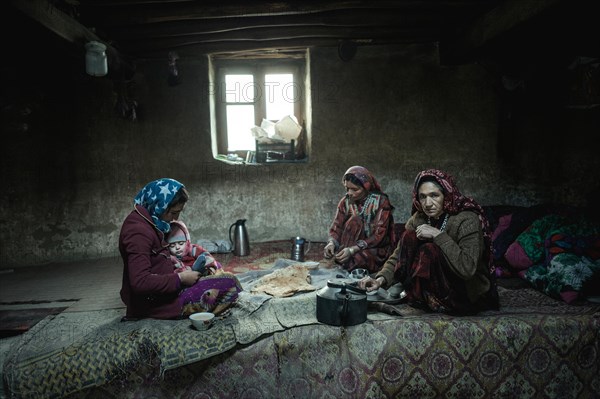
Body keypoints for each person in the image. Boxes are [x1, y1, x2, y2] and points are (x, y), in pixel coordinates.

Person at [358, 169, 499, 315]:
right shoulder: (419, 218)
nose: (428, 203)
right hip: (430, 290)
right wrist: (380, 280)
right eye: (422, 197)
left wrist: (438, 235)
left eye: (434, 195)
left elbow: (467, 268)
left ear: (447, 195)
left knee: (429, 250)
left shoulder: (466, 219)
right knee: (409, 237)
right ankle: (421, 296)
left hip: (463, 291)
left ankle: (438, 301)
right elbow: (399, 255)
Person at [119, 178, 242, 320]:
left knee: (218, 276)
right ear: (159, 206)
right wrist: (180, 279)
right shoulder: (138, 232)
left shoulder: (149, 220)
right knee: (229, 284)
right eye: (173, 213)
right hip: (158, 303)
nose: (174, 219)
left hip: (168, 290)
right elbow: (140, 283)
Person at [324, 166, 396, 273]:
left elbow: (379, 235)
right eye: (347, 188)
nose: (350, 193)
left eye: (355, 189)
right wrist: (332, 243)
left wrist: (353, 249)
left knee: (357, 260)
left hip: (375, 249)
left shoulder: (381, 202)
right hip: (347, 249)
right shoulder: (345, 202)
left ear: (366, 187)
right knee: (353, 222)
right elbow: (337, 226)